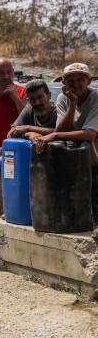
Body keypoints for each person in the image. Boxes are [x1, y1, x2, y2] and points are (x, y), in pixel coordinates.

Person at [34, 63, 98, 223]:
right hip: (74, 165)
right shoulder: (64, 98)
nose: (75, 84)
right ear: (64, 83)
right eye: (71, 81)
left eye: (80, 80)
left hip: (95, 165)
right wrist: (73, 103)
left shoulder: (96, 98)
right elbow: (63, 129)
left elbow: (90, 135)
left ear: (89, 80)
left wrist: (54, 137)